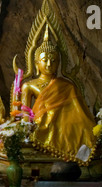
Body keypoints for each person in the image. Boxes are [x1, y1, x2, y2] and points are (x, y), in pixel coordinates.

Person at [18, 26, 97, 166]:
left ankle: (75, 153)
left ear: (59, 64)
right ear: (36, 63)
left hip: (65, 126)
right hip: (40, 126)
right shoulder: (29, 85)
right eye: (45, 60)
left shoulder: (67, 85)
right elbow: (25, 114)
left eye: (54, 60)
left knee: (83, 130)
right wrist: (26, 128)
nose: (49, 64)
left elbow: (78, 112)